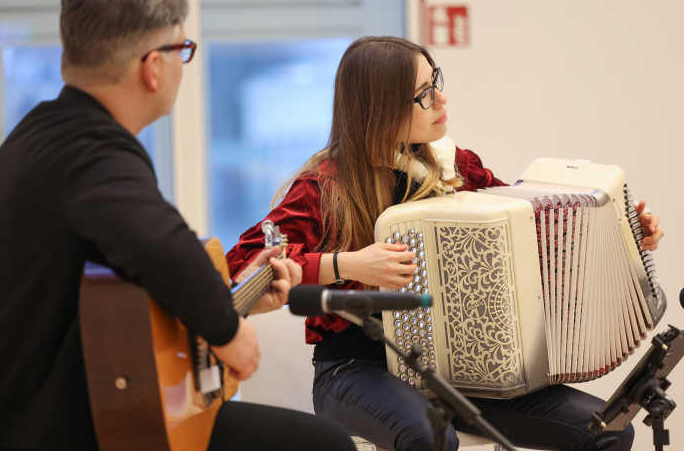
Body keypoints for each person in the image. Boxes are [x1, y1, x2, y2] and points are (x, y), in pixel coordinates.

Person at [0, 0, 356, 451]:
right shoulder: (92, 150)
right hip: (57, 430)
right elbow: (163, 248)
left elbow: (128, 291)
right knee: (324, 446)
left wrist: (240, 296)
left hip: (43, 414)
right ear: (153, 66)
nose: (183, 64)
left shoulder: (40, 138)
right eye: (183, 49)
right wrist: (228, 328)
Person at [226, 36, 665, 451]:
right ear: (379, 109)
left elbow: (532, 233)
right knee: (430, 441)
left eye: (436, 82)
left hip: (465, 371)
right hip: (357, 369)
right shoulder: (322, 188)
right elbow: (243, 265)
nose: (441, 99)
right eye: (424, 94)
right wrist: (346, 264)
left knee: (607, 432)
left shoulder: (458, 168)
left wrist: (625, 235)